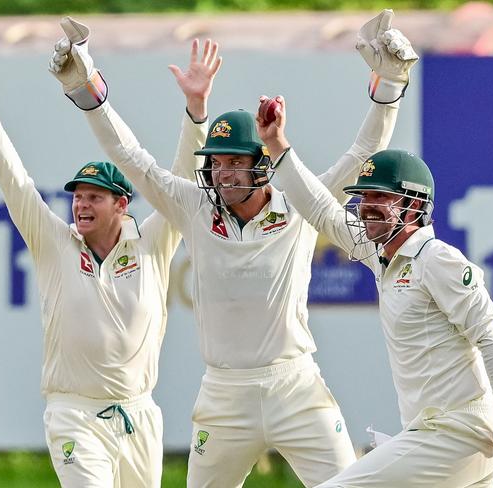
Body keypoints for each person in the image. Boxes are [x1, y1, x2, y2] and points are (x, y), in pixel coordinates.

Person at [48, 11, 417, 487]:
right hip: (224, 394)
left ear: (262, 165)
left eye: (233, 163)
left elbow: (363, 152)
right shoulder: (194, 207)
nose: (221, 173)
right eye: (215, 163)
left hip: (295, 386)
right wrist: (85, 88)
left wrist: (390, 83)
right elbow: (130, 158)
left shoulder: (299, 204)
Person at [0, 31, 221, 487]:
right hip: (73, 412)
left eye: (94, 197)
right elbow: (15, 182)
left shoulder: (153, 242)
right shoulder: (54, 242)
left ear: (122, 205)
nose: (81, 205)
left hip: (138, 414)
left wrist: (197, 111)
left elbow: (181, 181)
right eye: (77, 196)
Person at [258, 94, 493, 486]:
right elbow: (320, 210)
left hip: (457, 433)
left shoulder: (438, 259)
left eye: (380, 196)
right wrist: (276, 145)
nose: (366, 206)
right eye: (364, 196)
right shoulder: (382, 256)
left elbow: (489, 334)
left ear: (414, 205)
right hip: (438, 434)